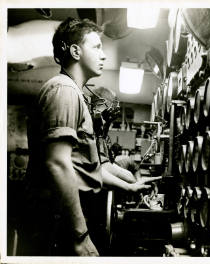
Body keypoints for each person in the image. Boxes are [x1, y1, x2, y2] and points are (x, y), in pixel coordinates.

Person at [21, 17, 160, 257]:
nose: (104, 55)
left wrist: (130, 185)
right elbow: (57, 163)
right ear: (75, 51)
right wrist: (79, 236)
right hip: (57, 221)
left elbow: (90, 168)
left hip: (66, 217)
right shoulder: (63, 90)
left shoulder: (74, 94)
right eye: (97, 47)